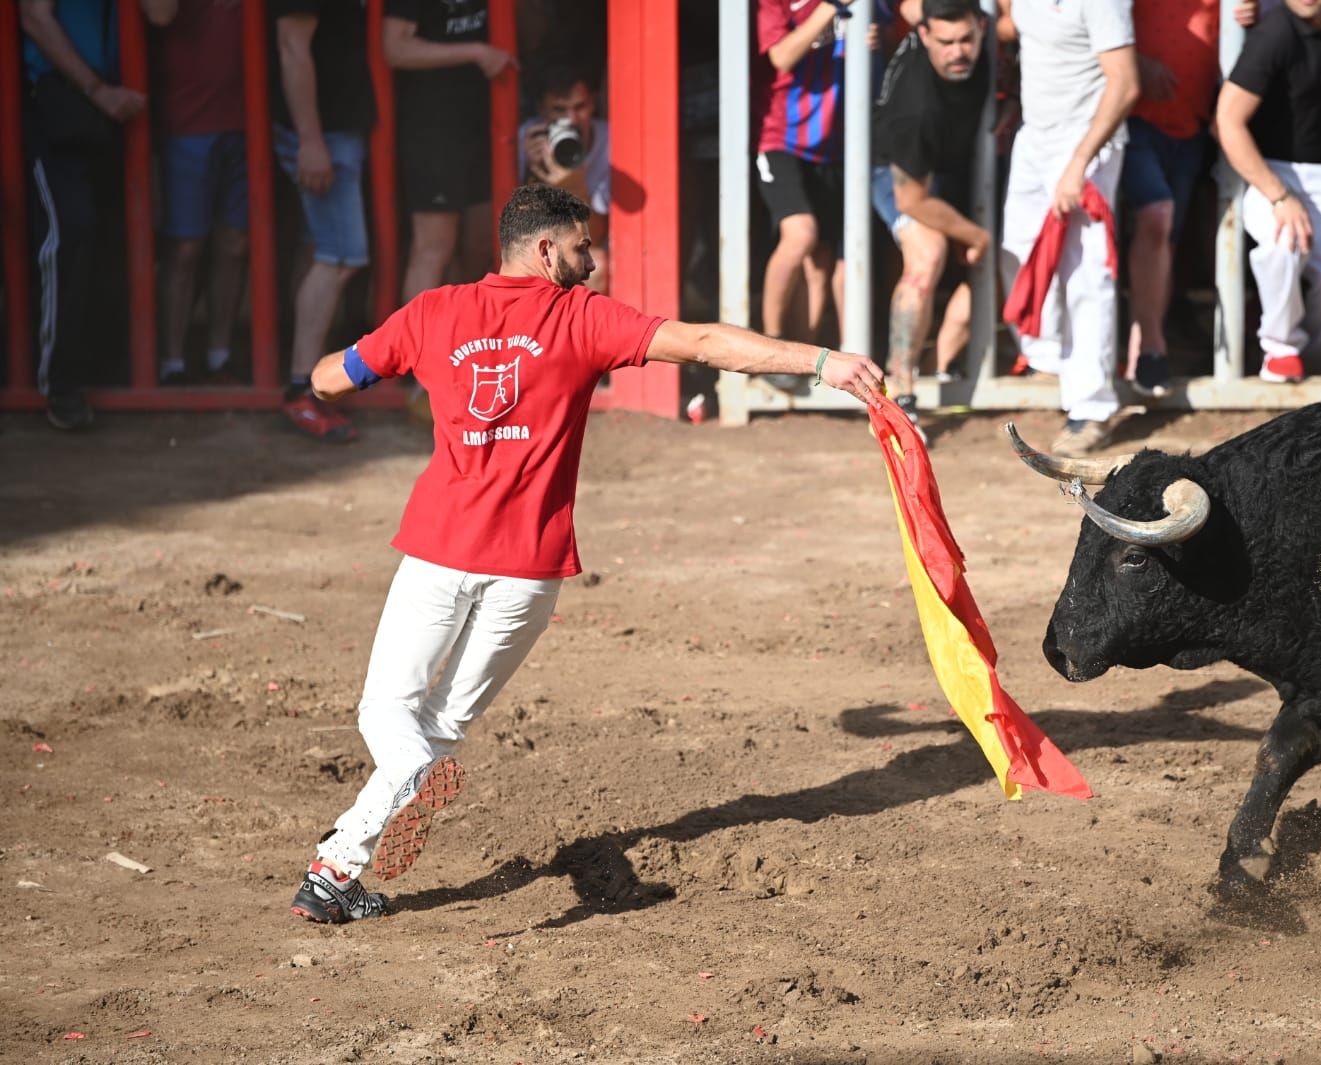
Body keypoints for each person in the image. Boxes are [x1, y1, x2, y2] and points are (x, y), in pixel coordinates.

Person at [287, 183, 884, 923]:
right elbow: (701, 342)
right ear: (544, 251)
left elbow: (329, 379)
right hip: (529, 569)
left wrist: (346, 369)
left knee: (390, 712)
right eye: (581, 248)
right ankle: (335, 868)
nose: (592, 263)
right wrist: (820, 360)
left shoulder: (430, 313)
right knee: (438, 727)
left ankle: (355, 839)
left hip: (440, 550)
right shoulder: (581, 320)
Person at [999, 0, 1139, 456]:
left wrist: (1079, 164)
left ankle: (1092, 407)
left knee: (1086, 272)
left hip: (1086, 141)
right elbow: (1012, 24)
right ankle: (1054, 363)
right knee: (1016, 252)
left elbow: (1125, 82)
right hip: (1034, 136)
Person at [1216, 0, 1321, 383]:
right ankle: (1280, 349)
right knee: (1281, 243)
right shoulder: (1273, 32)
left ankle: (1313, 366)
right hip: (1269, 168)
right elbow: (1227, 120)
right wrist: (1279, 195)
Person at [20, 0, 145, 431]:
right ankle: (60, 382)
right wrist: (96, 90)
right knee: (69, 233)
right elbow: (34, 15)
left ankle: (99, 369)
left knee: (109, 237)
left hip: (114, 102)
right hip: (58, 100)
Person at [871, 0, 991, 433]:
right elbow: (912, 200)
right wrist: (975, 235)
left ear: (982, 27)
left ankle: (938, 362)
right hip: (898, 172)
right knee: (928, 254)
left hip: (950, 165)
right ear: (923, 35)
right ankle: (900, 397)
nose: (957, 52)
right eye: (945, 43)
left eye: (966, 40)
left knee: (998, 259)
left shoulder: (983, 34)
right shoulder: (914, 108)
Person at [269, 0, 374, 441]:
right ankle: (301, 391)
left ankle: (307, 384)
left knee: (323, 252)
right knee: (339, 256)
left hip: (332, 131)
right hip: (323, 135)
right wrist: (311, 140)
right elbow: (292, 45)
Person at [143, 0, 249, 386]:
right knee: (185, 247)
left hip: (246, 115)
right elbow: (159, 13)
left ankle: (219, 355)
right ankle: (172, 361)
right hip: (185, 119)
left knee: (235, 243)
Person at [383, 0, 516, 308]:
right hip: (433, 129)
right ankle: (410, 353)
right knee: (433, 247)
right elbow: (394, 47)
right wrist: (476, 52)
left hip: (486, 125)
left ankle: (467, 342)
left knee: (484, 243)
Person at [752, 0, 853, 392]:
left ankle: (801, 362)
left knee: (820, 263)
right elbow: (781, 55)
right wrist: (831, 8)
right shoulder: (774, 5)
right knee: (800, 235)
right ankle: (770, 347)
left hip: (833, 145)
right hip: (781, 139)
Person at [1121, 0, 1219, 401]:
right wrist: (1135, 62)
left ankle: (1138, 354)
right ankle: (1152, 349)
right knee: (1156, 218)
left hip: (1191, 127)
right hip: (1135, 122)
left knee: (1166, 239)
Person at [520, 65, 611, 294]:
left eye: (580, 107)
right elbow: (514, 232)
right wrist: (532, 174)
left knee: (595, 265)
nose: (571, 120)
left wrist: (575, 185)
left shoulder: (611, 141)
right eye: (559, 110)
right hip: (536, 246)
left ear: (594, 103)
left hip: (581, 245)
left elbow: (597, 237)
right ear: (541, 110)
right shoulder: (526, 140)